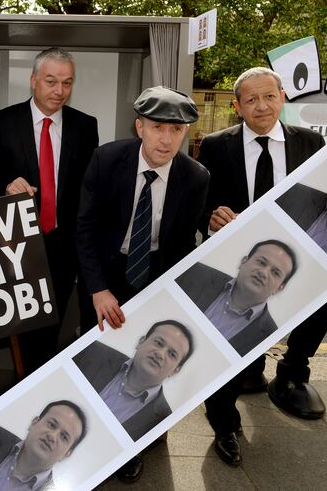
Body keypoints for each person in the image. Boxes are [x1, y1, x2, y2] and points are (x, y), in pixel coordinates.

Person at [74, 86, 207, 484]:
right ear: (140, 127)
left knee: (153, 365)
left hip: (156, 271)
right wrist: (97, 289)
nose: (167, 139)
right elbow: (85, 228)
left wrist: (170, 298)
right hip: (109, 269)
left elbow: (185, 242)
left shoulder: (196, 176)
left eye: (177, 130)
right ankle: (97, 435)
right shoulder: (107, 159)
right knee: (100, 358)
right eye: (158, 128)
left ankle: (138, 440)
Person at [194, 67, 327, 466]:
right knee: (232, 334)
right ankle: (223, 419)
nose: (261, 106)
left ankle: (292, 372)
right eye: (251, 100)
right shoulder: (217, 146)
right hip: (241, 262)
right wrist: (210, 219)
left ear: (282, 97)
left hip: (297, 256)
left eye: (269, 96)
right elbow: (204, 203)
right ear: (237, 107)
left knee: (323, 299)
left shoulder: (311, 143)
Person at [0, 47, 99, 373]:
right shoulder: (2, 122)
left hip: (64, 247)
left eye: (67, 83)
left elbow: (89, 191)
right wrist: (7, 187)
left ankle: (37, 388)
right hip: (16, 244)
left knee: (53, 326)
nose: (59, 91)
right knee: (19, 328)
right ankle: (24, 387)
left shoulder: (85, 126)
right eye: (51, 81)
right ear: (33, 80)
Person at [73, 320, 194, 441]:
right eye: (158, 343)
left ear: (176, 370)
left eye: (172, 354)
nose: (160, 354)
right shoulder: (92, 352)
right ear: (141, 342)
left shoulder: (162, 420)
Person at [176, 240, 297, 356]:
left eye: (275, 273)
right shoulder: (195, 274)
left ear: (280, 287)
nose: (263, 273)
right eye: (261, 262)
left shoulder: (268, 335)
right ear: (243, 261)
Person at [0, 400, 87, 491]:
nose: (53, 436)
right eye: (52, 425)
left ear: (67, 454)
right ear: (34, 423)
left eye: (64, 437)